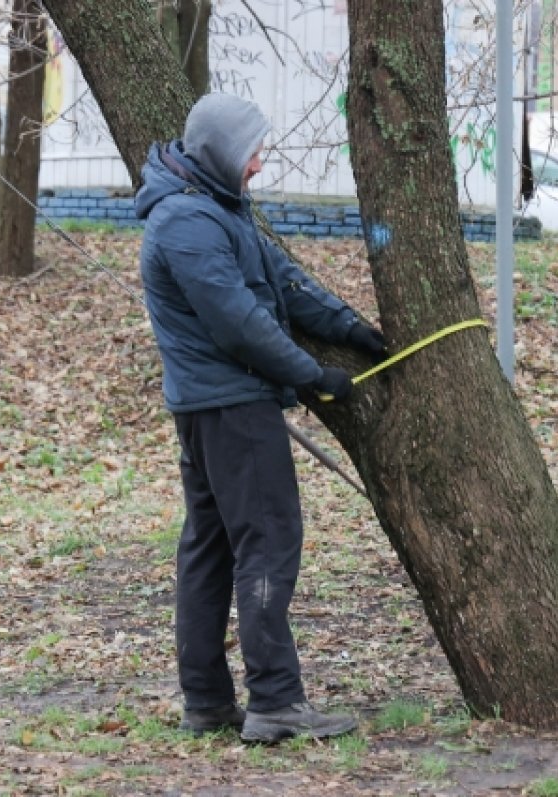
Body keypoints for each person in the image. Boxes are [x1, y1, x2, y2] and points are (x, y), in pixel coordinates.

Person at [135, 93, 386, 741]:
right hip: (230, 407)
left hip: (219, 405)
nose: (259, 164)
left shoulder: (217, 206)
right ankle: (274, 701)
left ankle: (209, 702)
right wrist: (312, 378)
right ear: (221, 153)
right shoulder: (184, 223)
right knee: (266, 542)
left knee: (212, 548)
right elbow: (239, 324)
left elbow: (285, 282)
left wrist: (352, 329)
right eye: (252, 151)